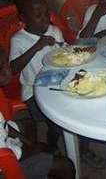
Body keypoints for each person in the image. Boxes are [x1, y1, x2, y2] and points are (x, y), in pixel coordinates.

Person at [0, 46, 75, 179]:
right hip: (6, 167)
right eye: (3, 66)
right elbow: (7, 158)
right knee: (66, 165)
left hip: (6, 140)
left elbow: (4, 125)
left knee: (29, 124)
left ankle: (39, 161)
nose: (9, 69)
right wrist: (36, 149)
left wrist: (31, 144)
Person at [9, 0, 64, 151]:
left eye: (46, 13)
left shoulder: (55, 31)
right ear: (23, 18)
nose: (45, 19)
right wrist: (37, 46)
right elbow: (13, 69)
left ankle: (80, 145)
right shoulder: (18, 40)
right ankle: (52, 143)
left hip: (58, 81)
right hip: (33, 89)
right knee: (55, 121)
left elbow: (64, 53)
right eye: (38, 15)